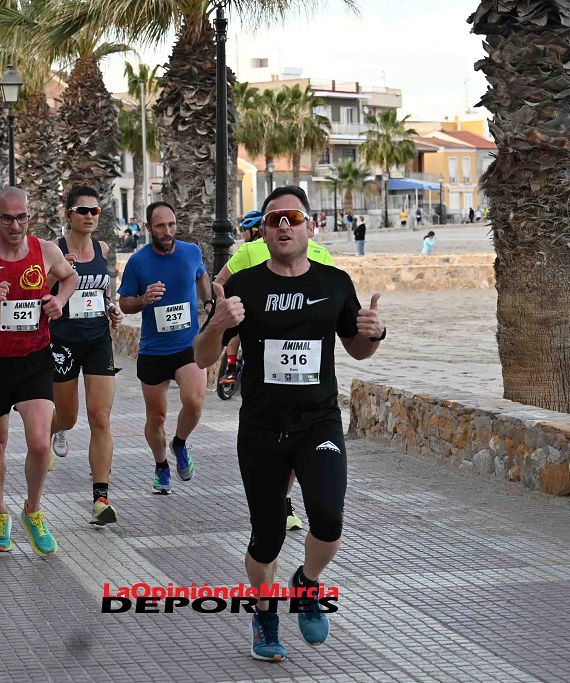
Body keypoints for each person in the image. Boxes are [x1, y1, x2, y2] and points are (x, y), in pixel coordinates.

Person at [194, 185, 385, 662]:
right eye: (274, 219)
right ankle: (264, 613)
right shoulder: (242, 286)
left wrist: (373, 336)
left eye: (293, 219)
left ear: (309, 226)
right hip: (260, 427)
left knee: (329, 516)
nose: (284, 226)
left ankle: (306, 583)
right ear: (262, 230)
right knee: (267, 536)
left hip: (317, 421)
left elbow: (356, 348)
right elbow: (202, 358)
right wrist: (217, 323)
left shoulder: (335, 283)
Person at [0, 187, 77, 556]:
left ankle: (33, 510)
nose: (16, 225)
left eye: (22, 217)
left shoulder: (46, 251)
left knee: (39, 444)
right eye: (7, 218)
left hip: (34, 358)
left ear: (29, 215)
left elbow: (68, 278)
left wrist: (59, 300)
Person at [214, 208, 335, 533]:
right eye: (281, 221)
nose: (286, 228)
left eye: (293, 221)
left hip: (304, 365)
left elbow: (219, 282)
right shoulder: (251, 253)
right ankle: (279, 501)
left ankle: (283, 499)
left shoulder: (320, 255)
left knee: (297, 434)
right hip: (268, 359)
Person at [117, 200, 209, 494]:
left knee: (194, 401)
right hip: (154, 350)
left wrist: (207, 301)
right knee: (156, 417)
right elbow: (124, 303)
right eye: (160, 226)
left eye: (171, 225)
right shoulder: (138, 262)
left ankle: (179, 443)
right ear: (148, 229)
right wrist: (143, 299)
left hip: (187, 345)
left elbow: (201, 275)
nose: (167, 231)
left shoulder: (191, 252)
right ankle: (161, 465)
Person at [47, 186, 124, 526]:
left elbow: (104, 290)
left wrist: (113, 309)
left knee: (101, 417)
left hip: (97, 339)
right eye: (83, 210)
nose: (90, 216)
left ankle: (101, 498)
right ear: (69, 214)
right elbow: (36, 289)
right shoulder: (54, 250)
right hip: (62, 340)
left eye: (95, 211)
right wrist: (58, 272)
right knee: (68, 416)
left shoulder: (102, 249)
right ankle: (52, 431)